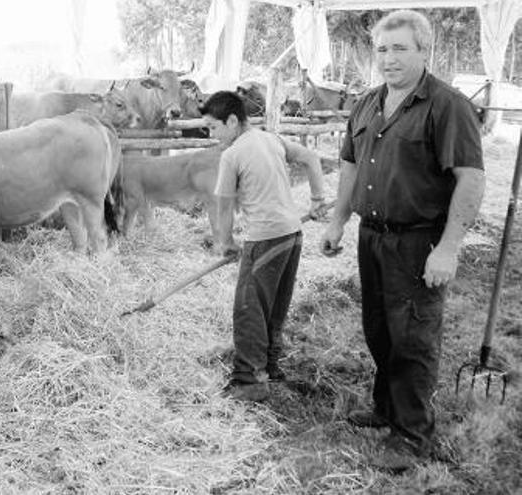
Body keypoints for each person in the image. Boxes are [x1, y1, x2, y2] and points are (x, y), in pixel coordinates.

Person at [320, 10, 485, 472]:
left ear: (423, 51)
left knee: (413, 335)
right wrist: (337, 221)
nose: (388, 59)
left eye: (400, 49)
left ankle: (413, 434)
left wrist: (449, 248)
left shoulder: (446, 105)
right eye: (382, 50)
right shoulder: (368, 103)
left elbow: (470, 179)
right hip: (372, 236)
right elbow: (350, 165)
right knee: (379, 328)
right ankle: (386, 407)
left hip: (419, 241)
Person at [200, 91, 326, 402]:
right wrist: (318, 199)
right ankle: (269, 366)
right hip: (293, 235)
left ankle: (249, 380)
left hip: (265, 236)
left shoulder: (232, 155)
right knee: (273, 305)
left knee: (249, 307)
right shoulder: (271, 139)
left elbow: (224, 206)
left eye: (214, 127)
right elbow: (311, 158)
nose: (212, 135)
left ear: (232, 121)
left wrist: (226, 243)